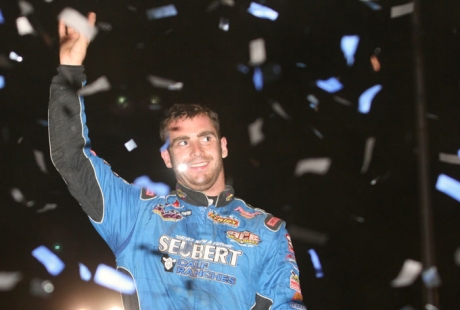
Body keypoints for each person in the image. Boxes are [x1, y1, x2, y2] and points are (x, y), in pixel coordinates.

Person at [49, 12, 306, 310]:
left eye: (205, 138)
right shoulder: (138, 215)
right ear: (166, 157)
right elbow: (71, 158)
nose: (196, 151)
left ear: (223, 147)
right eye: (182, 142)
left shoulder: (268, 232)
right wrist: (69, 72)